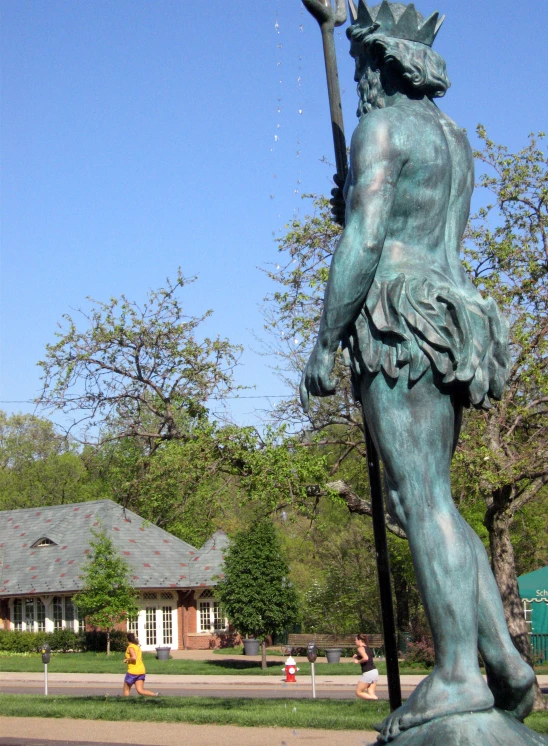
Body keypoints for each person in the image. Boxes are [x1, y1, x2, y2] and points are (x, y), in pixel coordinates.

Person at [299, 1, 535, 741]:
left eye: (367, 65)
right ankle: (501, 655)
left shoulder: (382, 129)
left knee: (419, 496)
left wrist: (325, 340)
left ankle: (460, 673)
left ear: (379, 66)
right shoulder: (453, 139)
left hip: (397, 318)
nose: (362, 79)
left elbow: (368, 239)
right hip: (453, 315)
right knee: (428, 500)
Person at [123, 632, 158, 697]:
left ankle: (126, 702)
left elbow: (134, 657)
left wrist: (126, 659)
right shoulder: (137, 647)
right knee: (140, 690)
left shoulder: (130, 647)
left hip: (132, 671)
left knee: (126, 689)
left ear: (127, 640)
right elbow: (140, 658)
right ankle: (155, 695)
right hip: (141, 670)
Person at [354, 633, 378, 700]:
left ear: (360, 640)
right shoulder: (367, 647)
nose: (355, 642)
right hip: (374, 671)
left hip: (368, 672)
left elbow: (365, 658)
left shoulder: (360, 648)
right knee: (371, 692)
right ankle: (377, 704)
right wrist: (357, 657)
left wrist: (357, 661)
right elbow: (366, 657)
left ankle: (375, 700)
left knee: (358, 692)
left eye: (356, 640)